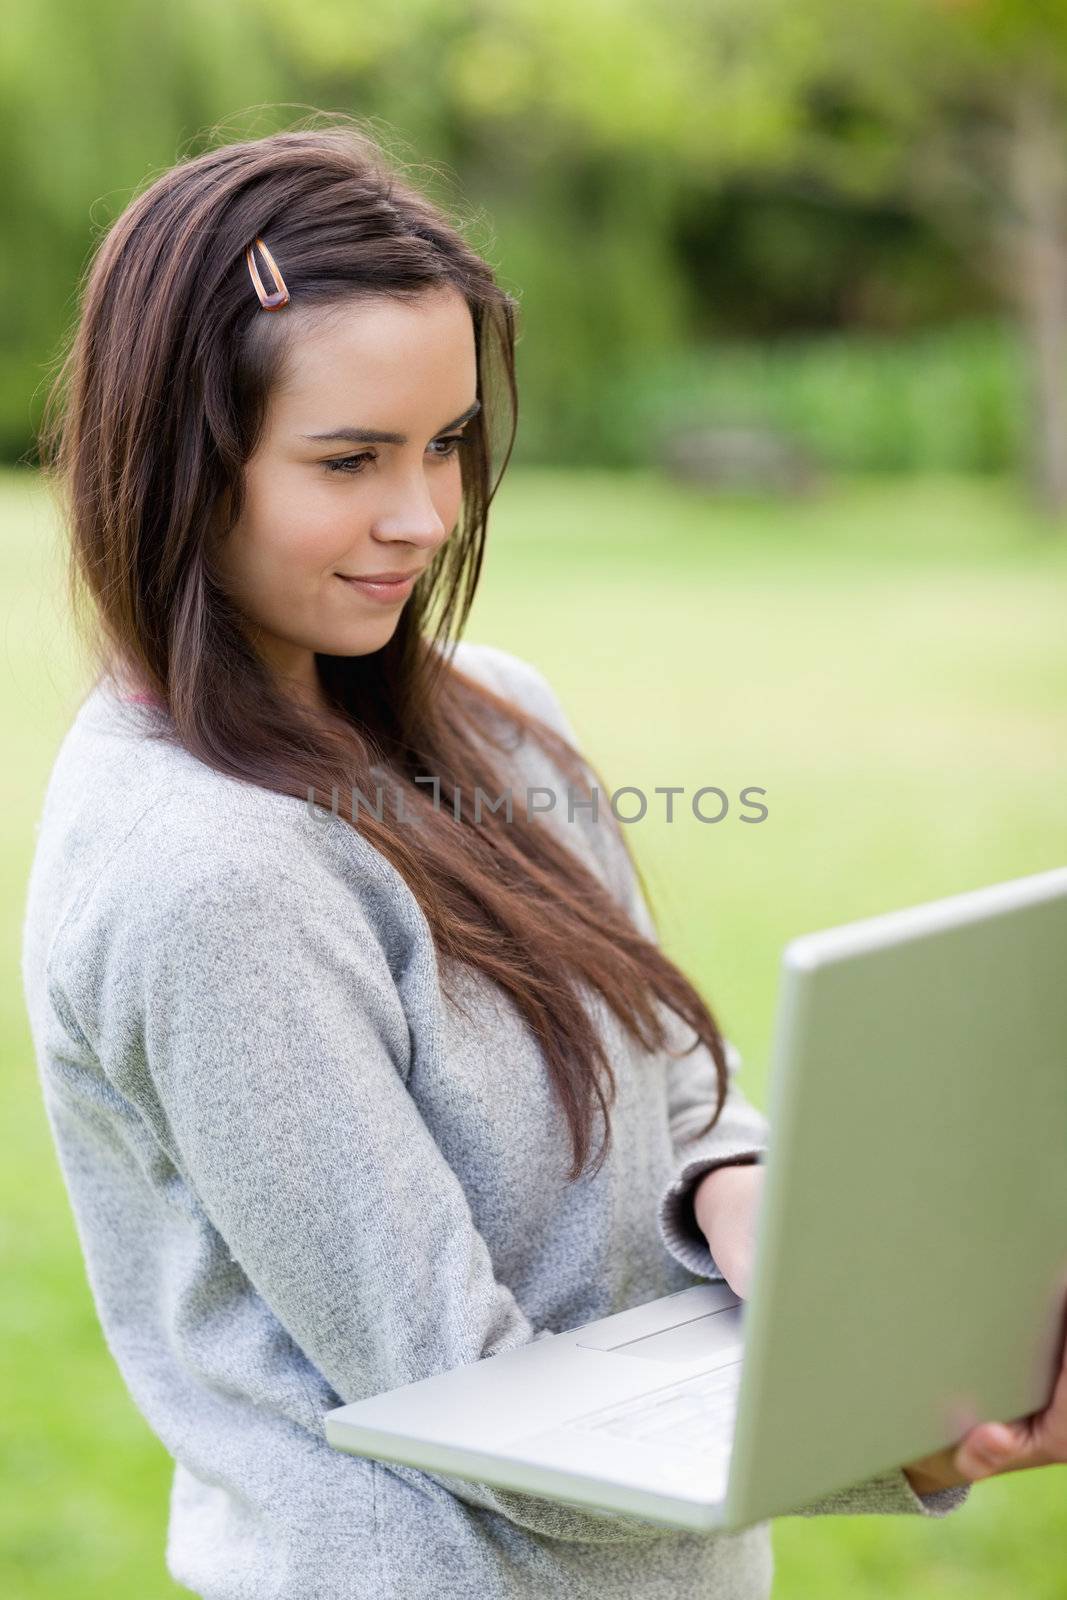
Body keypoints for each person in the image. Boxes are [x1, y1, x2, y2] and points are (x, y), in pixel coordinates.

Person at [20, 115, 1067, 1600]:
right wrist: (920, 1442)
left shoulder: (501, 718)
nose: (423, 516)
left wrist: (748, 1195)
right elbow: (475, 1406)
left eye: (446, 442)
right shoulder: (209, 876)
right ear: (179, 466)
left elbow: (664, 1074)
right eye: (349, 458)